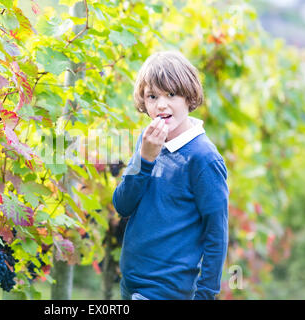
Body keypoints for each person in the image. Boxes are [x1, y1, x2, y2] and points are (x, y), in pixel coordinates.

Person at [112, 51, 229, 300]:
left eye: (171, 94)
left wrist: (205, 295)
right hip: (131, 285)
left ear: (189, 96)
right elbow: (122, 205)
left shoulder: (203, 158)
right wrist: (144, 159)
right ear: (144, 102)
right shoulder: (147, 142)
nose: (161, 104)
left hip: (167, 292)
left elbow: (216, 234)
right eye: (152, 96)